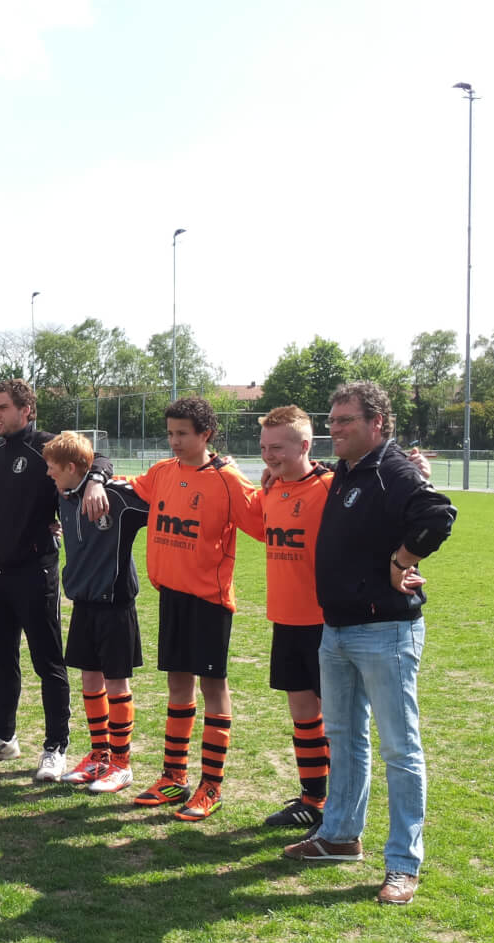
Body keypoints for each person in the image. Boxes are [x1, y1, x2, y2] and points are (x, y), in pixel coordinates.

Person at [283, 381, 456, 906]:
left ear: (376, 422)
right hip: (336, 629)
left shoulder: (394, 469)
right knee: (344, 737)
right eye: (332, 420)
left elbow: (438, 515)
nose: (334, 429)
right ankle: (340, 836)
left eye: (345, 421)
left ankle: (403, 864)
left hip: (386, 631)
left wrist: (403, 560)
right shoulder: (347, 470)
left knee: (400, 749)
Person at [0, 379, 111, 780]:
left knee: (48, 662)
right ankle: (3, 738)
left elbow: (96, 458)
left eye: (3, 407)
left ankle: (55, 747)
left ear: (26, 410)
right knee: (1, 661)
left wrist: (96, 480)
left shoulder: (46, 445)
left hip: (35, 570)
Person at [128, 396, 264, 822]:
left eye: (182, 434)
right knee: (177, 684)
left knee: (213, 687)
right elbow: (127, 486)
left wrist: (272, 480)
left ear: (206, 434)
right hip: (172, 595)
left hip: (209, 600)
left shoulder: (227, 478)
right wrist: (94, 476)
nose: (174, 441)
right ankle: (173, 776)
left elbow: (263, 521)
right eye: (170, 433)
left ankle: (212, 785)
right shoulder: (162, 472)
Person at [42, 432, 150, 794]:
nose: (49, 474)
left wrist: (99, 480)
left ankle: (121, 763)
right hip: (83, 602)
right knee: (90, 680)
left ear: (73, 468)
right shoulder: (63, 495)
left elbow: (162, 501)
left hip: (116, 603)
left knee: (116, 683)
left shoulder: (116, 497)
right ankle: (99, 755)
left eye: (54, 468)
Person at [254, 406, 333, 828]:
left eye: (278, 448)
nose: (269, 455)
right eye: (264, 447)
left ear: (304, 445)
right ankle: (312, 799)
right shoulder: (270, 490)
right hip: (285, 620)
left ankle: (339, 805)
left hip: (327, 623)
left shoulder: (331, 486)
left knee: (337, 721)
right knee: (303, 714)